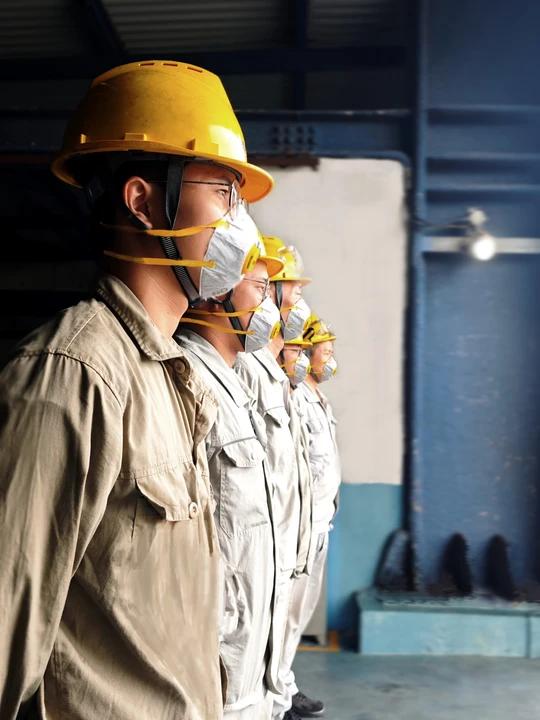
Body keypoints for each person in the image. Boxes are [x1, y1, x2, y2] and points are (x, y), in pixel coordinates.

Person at [0, 59, 273, 720]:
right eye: (223, 193)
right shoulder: (75, 373)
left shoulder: (169, 376)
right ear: (143, 201)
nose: (240, 228)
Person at [176, 251, 283, 719]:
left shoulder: (232, 383)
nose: (271, 308)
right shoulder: (189, 378)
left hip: (245, 634)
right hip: (217, 633)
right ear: (218, 291)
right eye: (260, 289)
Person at [233, 238, 313, 720]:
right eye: (289, 287)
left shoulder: (275, 367)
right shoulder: (246, 363)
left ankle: (279, 698)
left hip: (284, 532)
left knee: (278, 633)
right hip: (258, 537)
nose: (297, 298)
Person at [279, 314, 341, 719]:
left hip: (321, 521)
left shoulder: (319, 397)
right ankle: (278, 696)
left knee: (298, 615)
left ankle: (285, 685)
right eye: (325, 352)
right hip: (301, 525)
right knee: (285, 613)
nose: (330, 359)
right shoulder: (297, 397)